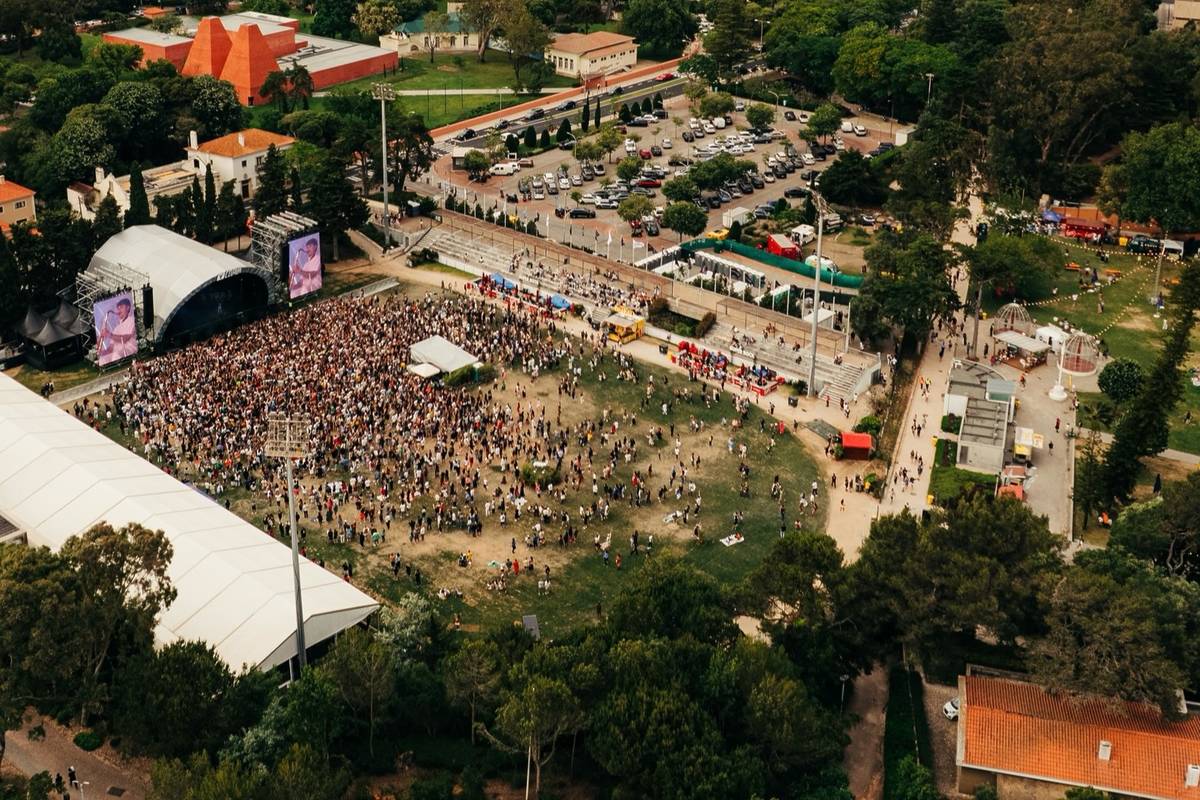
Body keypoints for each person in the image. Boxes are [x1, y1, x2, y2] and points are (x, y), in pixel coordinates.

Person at [97, 297, 137, 362]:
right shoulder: (116, 328)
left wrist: (109, 334)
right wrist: (103, 353)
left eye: (121, 307)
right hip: (117, 353)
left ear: (128, 307)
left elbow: (125, 339)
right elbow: (111, 348)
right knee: (102, 360)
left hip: (129, 350)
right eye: (118, 308)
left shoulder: (132, 320)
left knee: (116, 355)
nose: (118, 310)